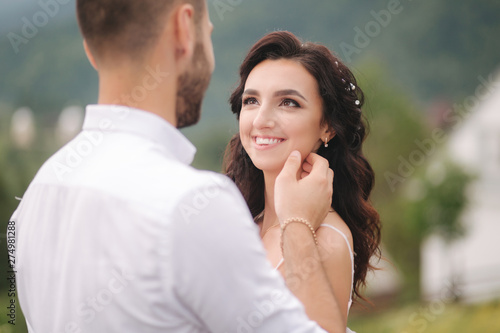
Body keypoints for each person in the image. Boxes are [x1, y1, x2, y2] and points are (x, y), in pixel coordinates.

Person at [9, 1, 346, 332]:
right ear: (184, 28)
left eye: (288, 102)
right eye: (208, 33)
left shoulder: (37, 194)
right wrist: (299, 227)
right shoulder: (192, 203)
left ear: (91, 50)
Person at [224, 31, 382, 330]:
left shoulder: (327, 239)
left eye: (288, 103)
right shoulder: (242, 223)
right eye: (252, 100)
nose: (261, 120)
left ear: (327, 126)